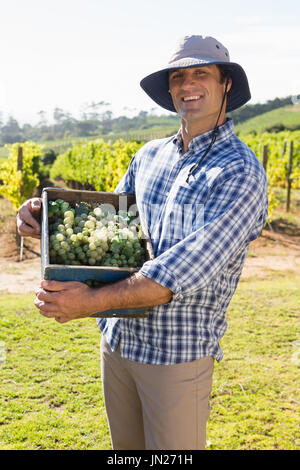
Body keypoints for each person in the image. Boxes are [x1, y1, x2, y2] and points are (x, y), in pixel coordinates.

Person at [17, 35, 268, 450]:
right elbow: (109, 228)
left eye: (201, 73)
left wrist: (87, 303)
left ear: (225, 84)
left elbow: (175, 275)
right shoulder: (149, 156)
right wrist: (48, 215)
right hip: (117, 343)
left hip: (174, 358)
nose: (188, 84)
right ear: (169, 89)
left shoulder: (240, 173)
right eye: (178, 76)